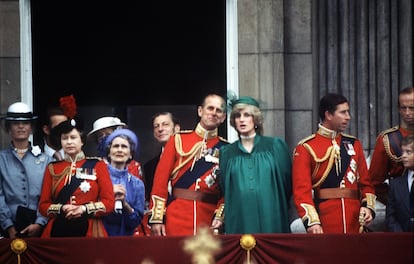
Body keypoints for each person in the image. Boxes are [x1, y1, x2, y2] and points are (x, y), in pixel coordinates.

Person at [292, 93, 376, 234]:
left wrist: (368, 207)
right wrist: (312, 222)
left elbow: (366, 184)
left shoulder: (353, 144)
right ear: (328, 115)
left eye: (347, 112)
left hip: (355, 222)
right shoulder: (306, 147)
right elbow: (301, 192)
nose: (348, 117)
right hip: (325, 221)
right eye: (343, 112)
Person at [149, 94, 227, 236]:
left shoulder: (227, 149)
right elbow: (160, 183)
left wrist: (220, 216)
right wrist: (157, 218)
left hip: (209, 219)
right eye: (210, 108)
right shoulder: (177, 140)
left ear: (223, 117)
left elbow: (227, 191)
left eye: (218, 110)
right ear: (200, 111)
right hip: (177, 216)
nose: (214, 113)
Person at [219, 96, 292, 234]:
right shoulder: (227, 152)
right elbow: (224, 186)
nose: (241, 119)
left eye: (247, 115)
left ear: (256, 119)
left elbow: (287, 182)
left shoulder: (275, 146)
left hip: (271, 213)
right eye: (237, 116)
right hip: (239, 216)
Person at [38, 118, 115, 237]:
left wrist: (83, 209)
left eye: (73, 137)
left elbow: (109, 203)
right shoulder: (52, 168)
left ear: (82, 141)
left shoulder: (98, 165)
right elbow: (43, 206)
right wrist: (62, 208)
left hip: (90, 230)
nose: (69, 142)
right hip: (58, 229)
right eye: (65, 138)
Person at [0, 102, 52, 238]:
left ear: (31, 127)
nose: (21, 126)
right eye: (15, 123)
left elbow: (49, 195)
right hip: (6, 229)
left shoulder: (46, 160)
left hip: (40, 228)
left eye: (25, 123)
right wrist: (8, 226)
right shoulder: (1, 159)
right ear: (9, 127)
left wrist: (40, 223)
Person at [369, 87, 414, 230]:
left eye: (412, 108)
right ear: (399, 109)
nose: (407, 113)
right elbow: (374, 182)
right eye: (403, 108)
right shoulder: (387, 139)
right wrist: (396, 199)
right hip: (399, 213)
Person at [102, 128, 145, 236]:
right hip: (100, 238)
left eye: (124, 147)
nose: (119, 150)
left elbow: (136, 221)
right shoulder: (97, 178)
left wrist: (125, 204)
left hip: (126, 241)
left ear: (130, 154)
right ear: (109, 152)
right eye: (116, 146)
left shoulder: (137, 184)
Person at [87, 116, 143, 180]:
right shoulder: (92, 165)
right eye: (100, 136)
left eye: (108, 134)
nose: (104, 138)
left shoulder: (133, 166)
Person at [143, 112, 180, 204]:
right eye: (156, 126)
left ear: (176, 128)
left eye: (165, 125)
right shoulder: (149, 166)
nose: (160, 129)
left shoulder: (190, 158)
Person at [386, 135, 414, 232]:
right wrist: (400, 236)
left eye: (408, 152)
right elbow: (391, 216)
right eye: (403, 152)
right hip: (401, 240)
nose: (403, 156)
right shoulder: (395, 184)